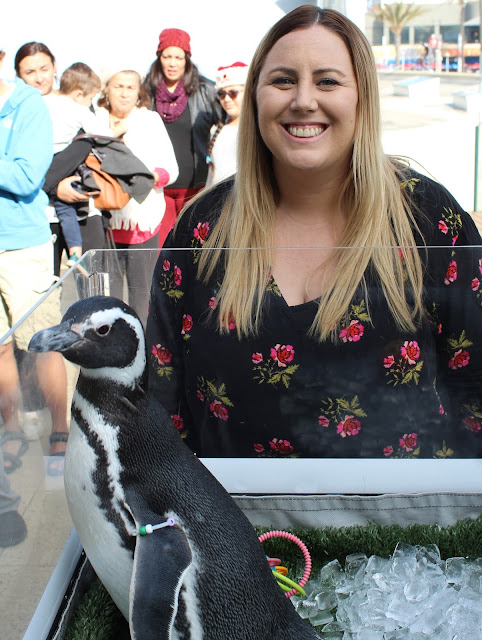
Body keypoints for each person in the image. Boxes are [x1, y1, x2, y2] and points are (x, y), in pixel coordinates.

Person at [146, 5, 482, 459]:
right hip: (232, 524)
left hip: (398, 526)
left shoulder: (425, 216)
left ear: (362, 96)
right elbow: (164, 392)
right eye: (283, 80)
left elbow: (474, 384)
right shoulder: (203, 226)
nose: (303, 100)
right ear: (256, 95)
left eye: (327, 81)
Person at [0, 47, 69, 476]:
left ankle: (60, 433)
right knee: (0, 347)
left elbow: (27, 177)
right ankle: (10, 431)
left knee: (43, 343)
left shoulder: (27, 105)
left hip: (21, 246)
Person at [95, 69, 178, 323]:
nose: (124, 93)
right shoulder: (95, 119)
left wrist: (147, 177)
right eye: (118, 86)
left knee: (141, 297)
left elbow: (171, 170)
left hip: (141, 219)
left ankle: (142, 356)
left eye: (130, 88)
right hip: (103, 219)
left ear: (138, 92)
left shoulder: (150, 120)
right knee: (106, 300)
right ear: (107, 89)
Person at [15, 42, 106, 275]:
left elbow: (101, 140)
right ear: (17, 75)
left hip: (84, 210)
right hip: (38, 217)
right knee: (45, 299)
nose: (38, 78)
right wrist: (57, 188)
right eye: (29, 72)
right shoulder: (14, 111)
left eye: (44, 69)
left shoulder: (72, 105)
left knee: (96, 294)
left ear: (55, 67)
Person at [143, 28, 221, 233]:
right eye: (167, 56)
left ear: (187, 58)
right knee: (162, 252)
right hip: (158, 188)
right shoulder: (145, 91)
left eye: (178, 57)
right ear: (159, 57)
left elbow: (228, 122)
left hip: (194, 187)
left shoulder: (206, 90)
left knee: (193, 249)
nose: (172, 63)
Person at [46, 62, 111, 267]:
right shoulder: (77, 109)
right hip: (63, 161)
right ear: (78, 94)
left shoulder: (48, 102)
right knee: (67, 206)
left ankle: (74, 253)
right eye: (90, 98)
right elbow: (102, 134)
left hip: (45, 159)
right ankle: (76, 253)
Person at [205, 62, 248, 187]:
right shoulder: (216, 130)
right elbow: (211, 176)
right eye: (222, 94)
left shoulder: (258, 129)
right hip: (216, 202)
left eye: (233, 93)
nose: (227, 99)